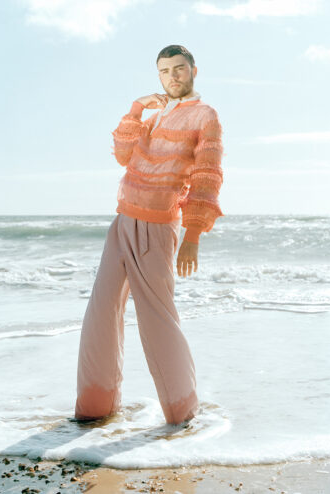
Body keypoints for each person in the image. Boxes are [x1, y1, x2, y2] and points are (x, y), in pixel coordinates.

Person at [75, 44, 224, 425]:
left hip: (157, 226)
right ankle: (95, 409)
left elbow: (207, 179)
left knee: (157, 319)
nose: (172, 76)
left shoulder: (205, 116)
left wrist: (192, 235)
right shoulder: (155, 115)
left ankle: (183, 414)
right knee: (100, 314)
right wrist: (137, 108)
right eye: (164, 71)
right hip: (122, 221)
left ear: (194, 70)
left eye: (179, 69)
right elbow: (124, 154)